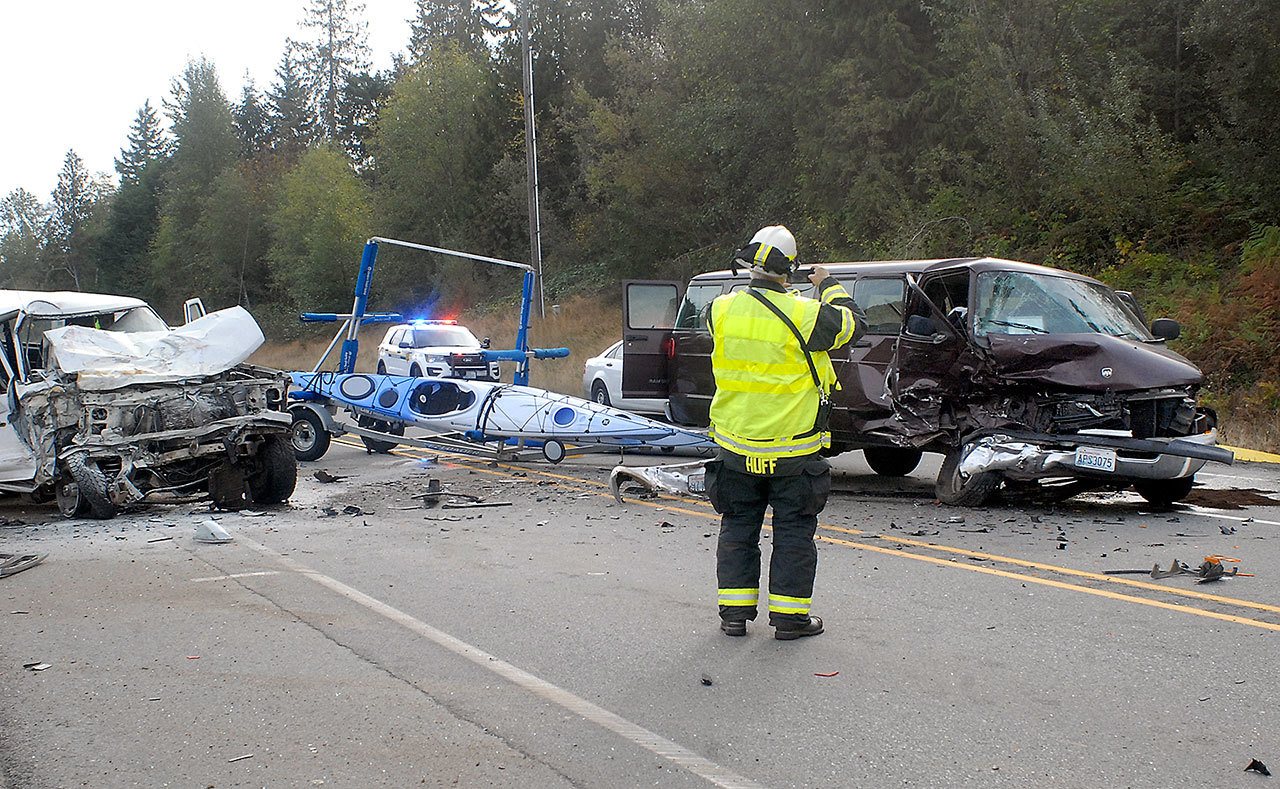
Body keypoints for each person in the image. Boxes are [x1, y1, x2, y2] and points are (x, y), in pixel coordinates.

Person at [705, 225, 859, 640]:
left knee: (738, 528)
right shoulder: (806, 315)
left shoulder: (718, 310)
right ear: (789, 270)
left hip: (736, 446)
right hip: (793, 450)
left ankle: (734, 617)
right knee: (792, 532)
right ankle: (790, 620)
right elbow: (851, 323)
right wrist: (828, 284)